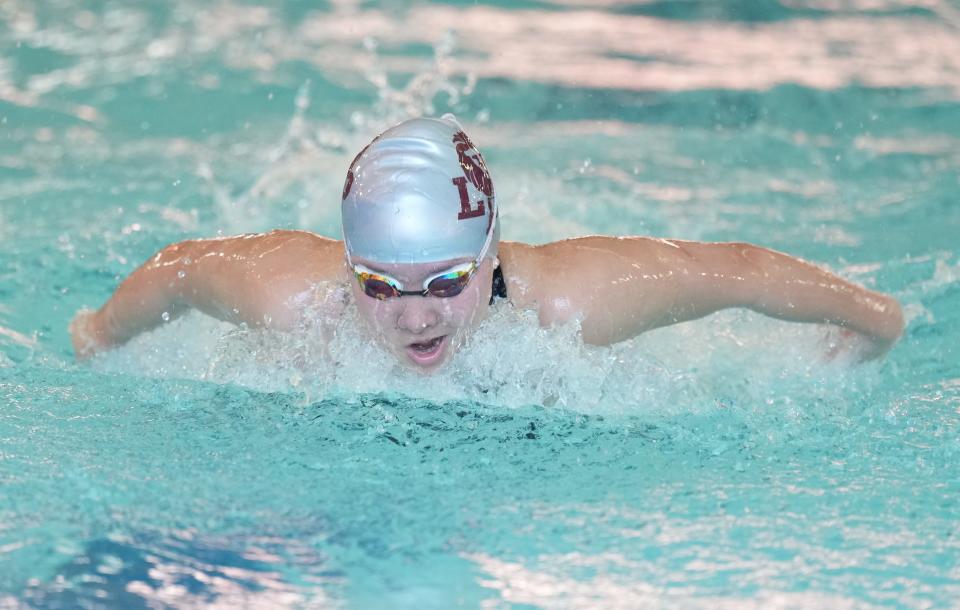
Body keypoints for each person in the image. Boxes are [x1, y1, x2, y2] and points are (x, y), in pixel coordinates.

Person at [69, 115, 905, 372]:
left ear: (493, 256)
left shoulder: (567, 304)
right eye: (380, 285)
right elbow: (176, 270)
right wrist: (98, 336)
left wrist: (875, 319)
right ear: (346, 263)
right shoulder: (293, 296)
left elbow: (735, 270)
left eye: (444, 280)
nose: (412, 318)